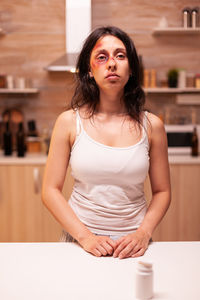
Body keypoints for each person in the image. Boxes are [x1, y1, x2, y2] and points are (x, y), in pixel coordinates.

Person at [42, 26, 171, 259]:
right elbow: (50, 190)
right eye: (102, 57)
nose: (112, 63)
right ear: (89, 70)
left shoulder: (152, 126)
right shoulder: (69, 122)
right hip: (79, 242)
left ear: (131, 68)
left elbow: (162, 191)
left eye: (120, 56)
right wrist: (86, 237)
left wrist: (143, 233)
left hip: (134, 245)